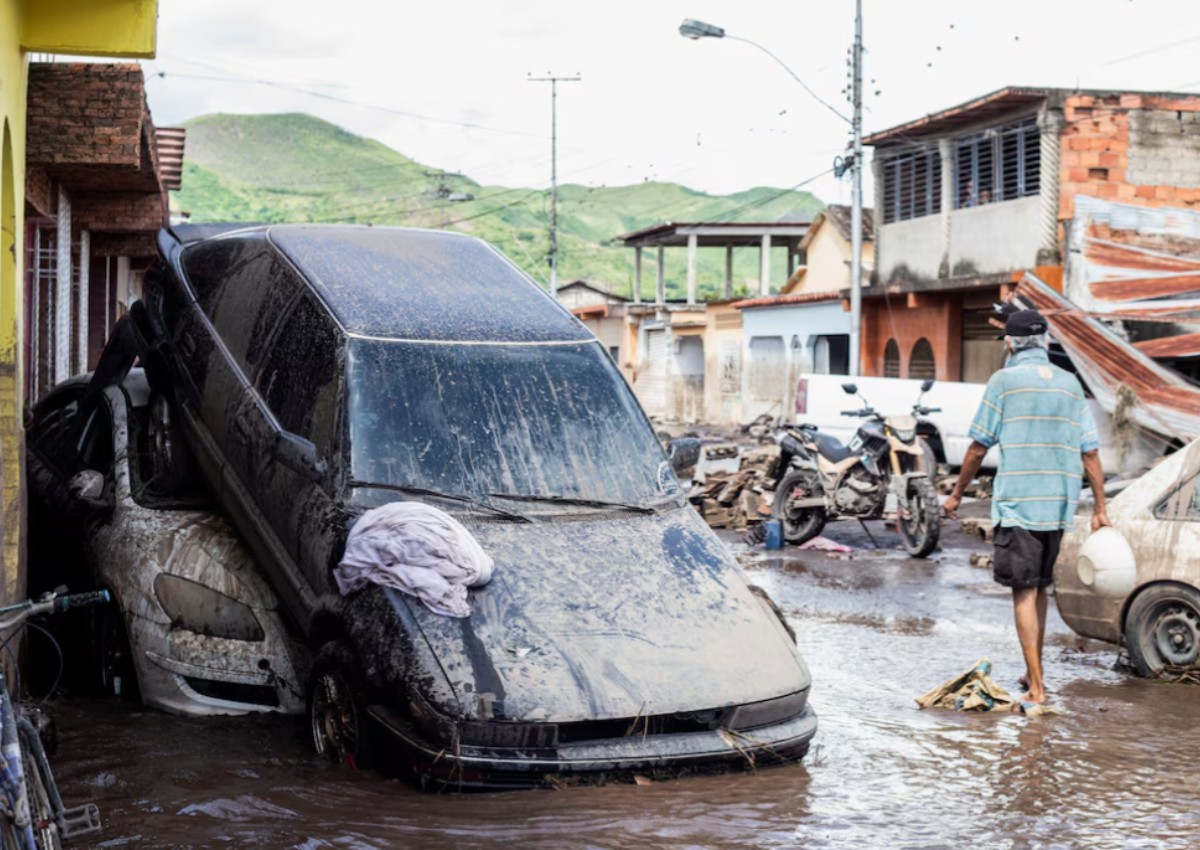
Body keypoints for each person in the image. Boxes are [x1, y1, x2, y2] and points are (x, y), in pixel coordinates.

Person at [943, 308, 1110, 709]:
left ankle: (1037, 688)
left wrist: (956, 493)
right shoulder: (1071, 385)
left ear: (1011, 343)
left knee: (1023, 591)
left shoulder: (1004, 382)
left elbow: (978, 445)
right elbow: (1090, 451)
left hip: (1019, 503)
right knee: (1038, 588)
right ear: (1046, 342)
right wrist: (1101, 508)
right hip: (1058, 505)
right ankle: (1032, 672)